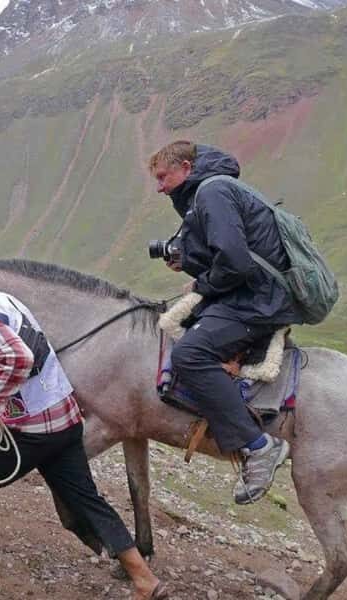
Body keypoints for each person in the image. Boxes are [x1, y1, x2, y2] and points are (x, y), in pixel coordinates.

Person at [0, 250, 168, 600]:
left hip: (32, 431)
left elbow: (18, 361)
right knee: (88, 500)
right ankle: (145, 580)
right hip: (64, 422)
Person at [149, 140, 299, 505]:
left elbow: (235, 264)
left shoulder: (213, 192)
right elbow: (228, 257)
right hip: (249, 294)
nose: (159, 186)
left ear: (186, 167)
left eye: (163, 176)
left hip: (260, 300)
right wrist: (189, 262)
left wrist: (199, 283)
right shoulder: (208, 192)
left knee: (189, 354)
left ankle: (259, 446)